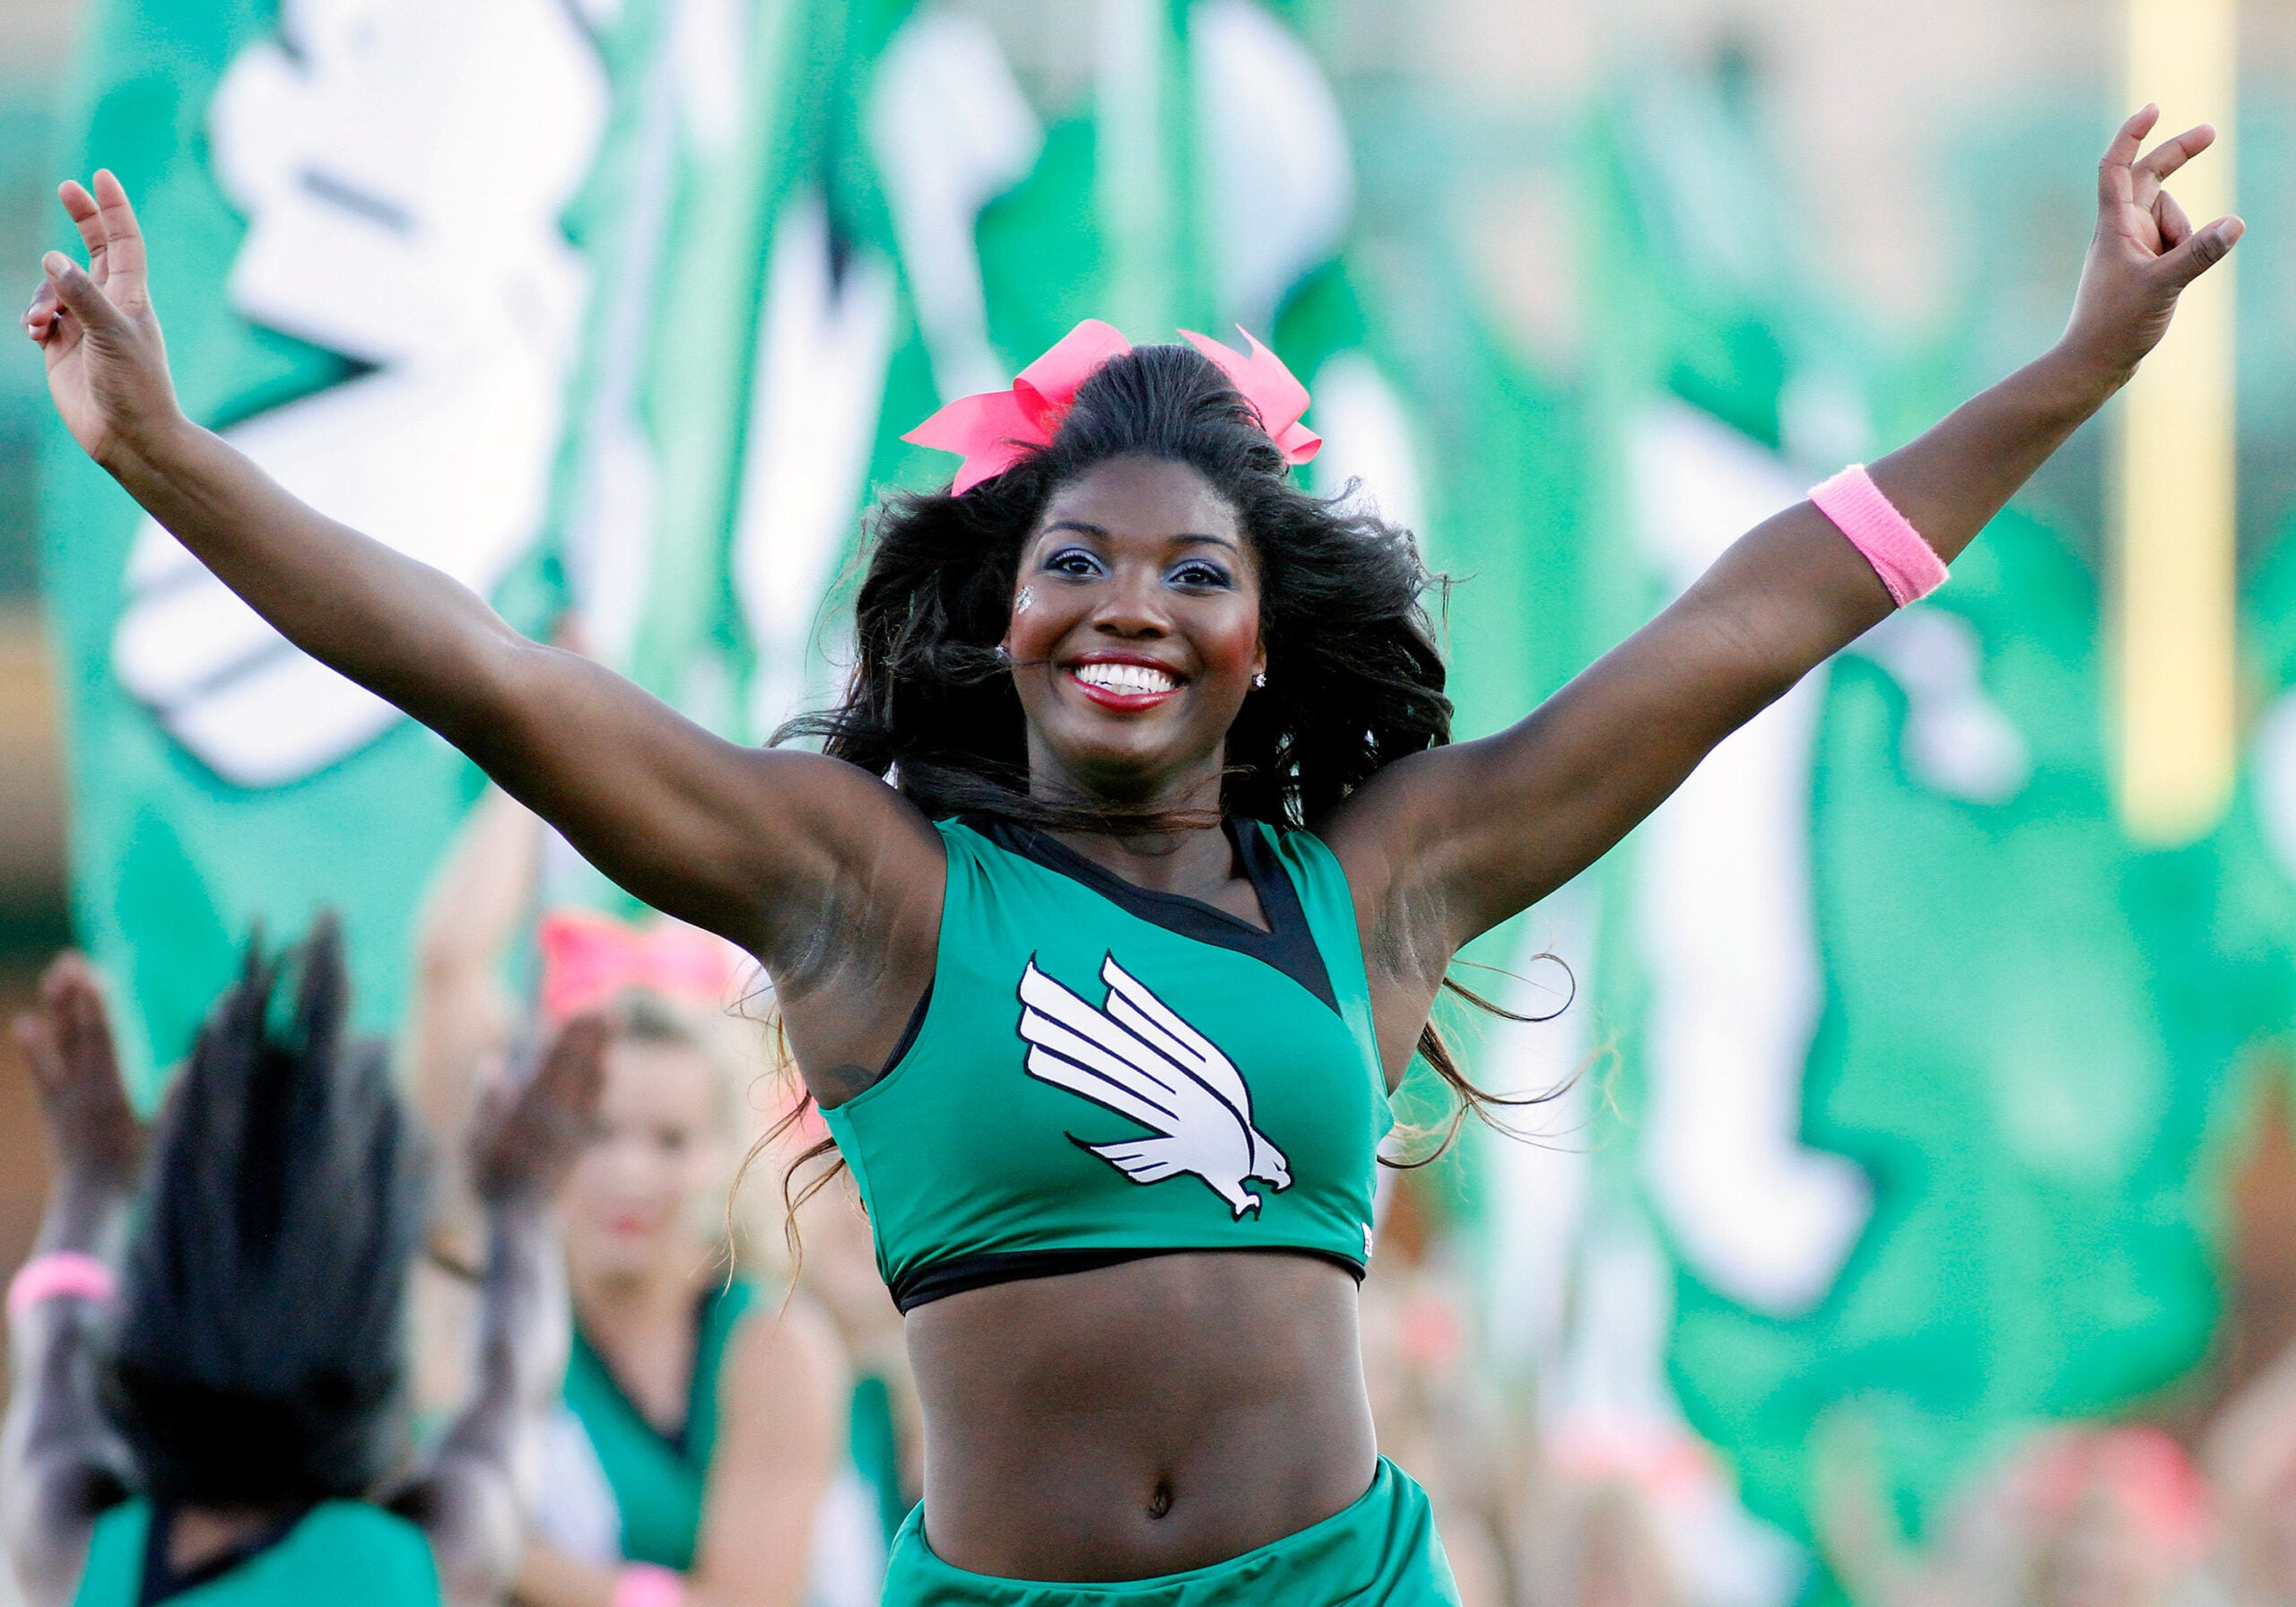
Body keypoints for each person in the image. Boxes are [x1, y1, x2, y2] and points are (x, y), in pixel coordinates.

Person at [22, 105, 2236, 1602]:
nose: (1129, 612)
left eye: (1195, 577)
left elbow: (1753, 621)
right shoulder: (860, 889)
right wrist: (172, 457)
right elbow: (492, 678)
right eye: (1079, 562)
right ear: (999, 607)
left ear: (1266, 641)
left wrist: (2072, 361)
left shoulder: (1370, 886)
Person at [0, 921, 602, 1607]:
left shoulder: (69, 1548)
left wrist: (94, 1178)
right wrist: (522, 1200)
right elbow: (514, 1375)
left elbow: (54, 1339)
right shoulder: (427, 1562)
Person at [402, 788, 867, 1607]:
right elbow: (449, 970)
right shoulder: (494, 1298)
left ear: (723, 1158)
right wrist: (525, 760)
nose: (629, 1174)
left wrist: (515, 1564)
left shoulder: (773, 1343)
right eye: (597, 1134)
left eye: (669, 1141)